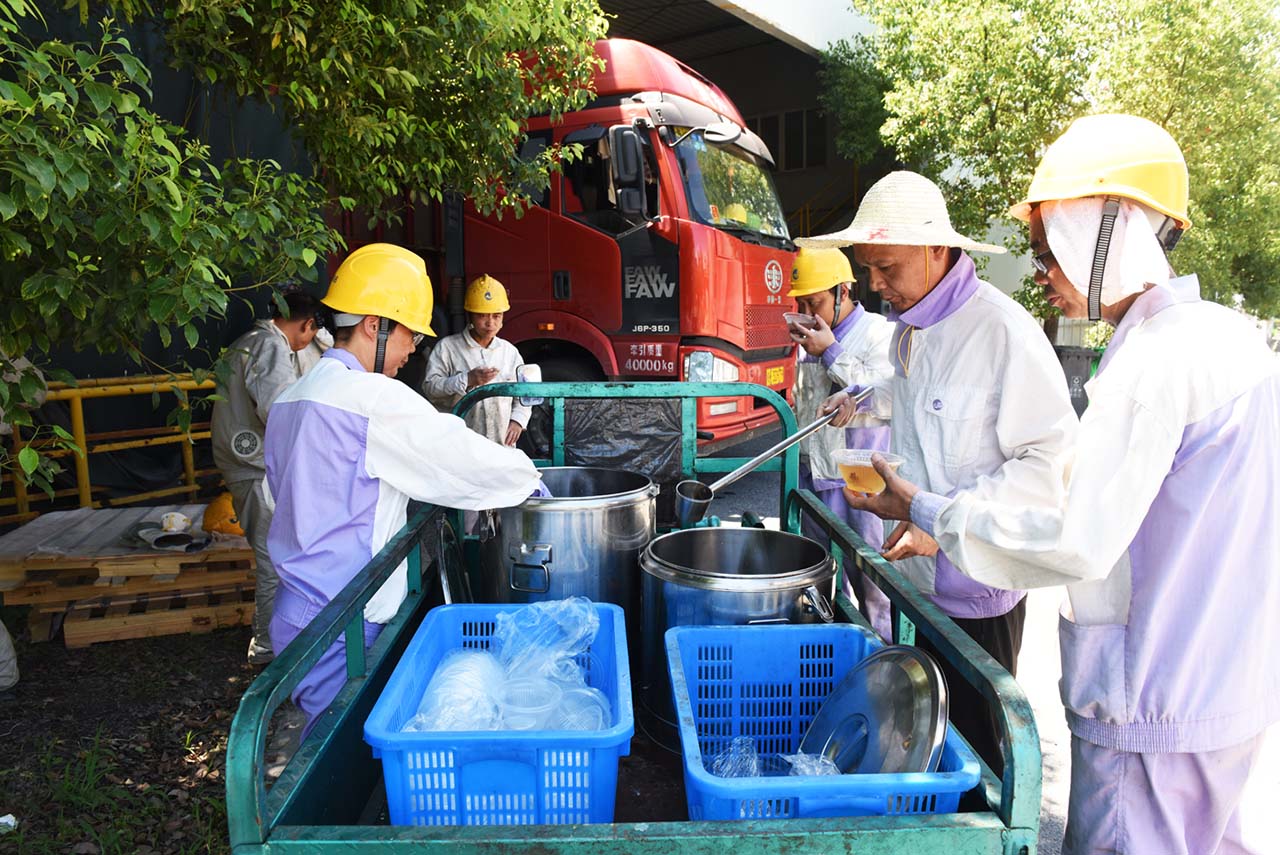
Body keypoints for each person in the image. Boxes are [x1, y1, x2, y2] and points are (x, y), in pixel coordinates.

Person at [842, 115, 1279, 855]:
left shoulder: (1150, 363)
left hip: (1151, 693)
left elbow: (1073, 532)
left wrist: (932, 512)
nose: (1042, 269)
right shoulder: (1227, 340)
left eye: (1050, 250)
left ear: (1103, 230)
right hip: (1223, 687)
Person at [803, 171, 1078, 777]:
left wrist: (941, 519)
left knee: (977, 759)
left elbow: (1047, 468)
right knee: (924, 742)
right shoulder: (909, 331)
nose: (875, 284)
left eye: (886, 268)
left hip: (978, 589)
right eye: (867, 268)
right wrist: (860, 397)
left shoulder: (1003, 332)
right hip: (917, 580)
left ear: (936, 250)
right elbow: (912, 404)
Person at [264, 243, 545, 735]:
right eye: (409, 333)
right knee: (340, 752)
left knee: (323, 741)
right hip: (342, 617)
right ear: (374, 325)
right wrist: (530, 481)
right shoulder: (369, 398)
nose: (413, 348)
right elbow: (456, 455)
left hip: (296, 609)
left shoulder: (294, 396)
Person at [211, 290, 326, 665]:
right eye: (313, 332)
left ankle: (273, 642)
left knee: (275, 558)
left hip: (245, 463)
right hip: (256, 468)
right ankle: (268, 649)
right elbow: (280, 411)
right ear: (307, 324)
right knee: (276, 562)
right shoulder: (271, 347)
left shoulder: (248, 342)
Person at [784, 246, 894, 637]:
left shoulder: (879, 332)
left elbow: (887, 395)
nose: (806, 312)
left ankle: (883, 657)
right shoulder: (809, 341)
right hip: (813, 476)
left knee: (874, 585)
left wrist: (831, 351)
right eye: (800, 304)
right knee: (821, 582)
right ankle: (835, 651)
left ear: (842, 292)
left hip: (860, 480)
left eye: (814, 302)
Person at [423, 275, 529, 448]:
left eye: (496, 316)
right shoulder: (447, 348)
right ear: (470, 316)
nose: (490, 323)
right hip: (460, 444)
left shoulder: (510, 352)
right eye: (482, 316)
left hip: (501, 444)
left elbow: (524, 394)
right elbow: (430, 388)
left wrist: (518, 420)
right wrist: (467, 379)